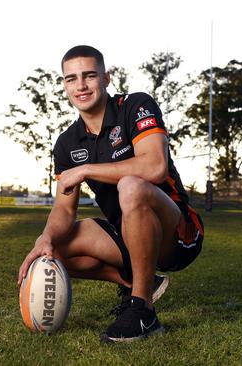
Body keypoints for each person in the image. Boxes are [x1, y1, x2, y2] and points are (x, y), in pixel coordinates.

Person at [17, 45, 204, 343]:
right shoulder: (67, 143)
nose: (81, 85)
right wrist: (45, 238)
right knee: (54, 252)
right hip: (126, 234)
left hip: (177, 231)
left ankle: (143, 311)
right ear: (64, 84)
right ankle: (135, 279)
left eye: (89, 75)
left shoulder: (135, 105)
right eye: (71, 78)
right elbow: (65, 210)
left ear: (106, 78)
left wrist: (87, 169)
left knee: (131, 186)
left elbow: (155, 166)